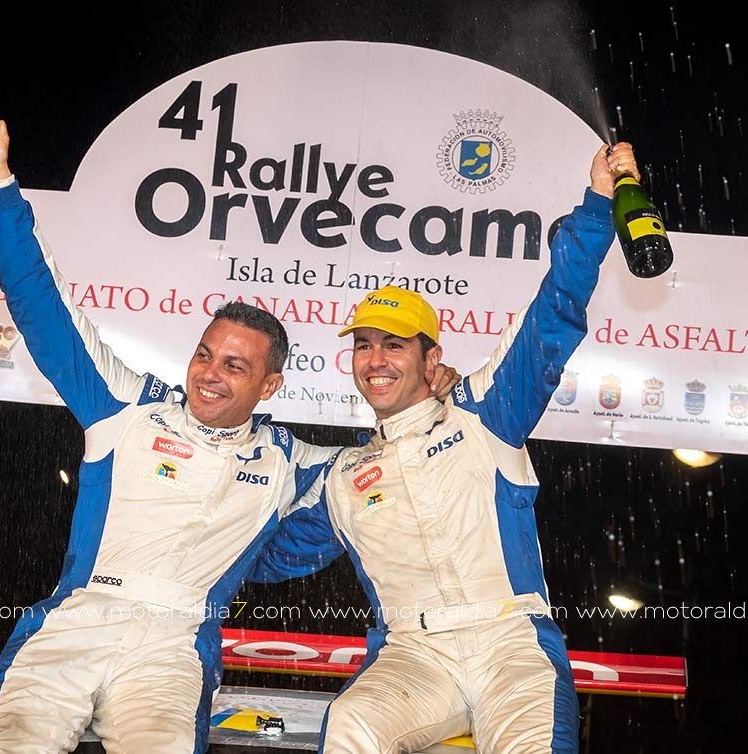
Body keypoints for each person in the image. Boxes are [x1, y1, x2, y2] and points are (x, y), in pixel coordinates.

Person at [0, 120, 457, 754]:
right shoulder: (125, 408)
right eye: (204, 355)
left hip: (173, 650)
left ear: (270, 386)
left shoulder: (296, 464)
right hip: (76, 624)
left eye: (234, 366)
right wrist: (0, 188)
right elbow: (41, 306)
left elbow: (397, 460)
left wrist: (437, 398)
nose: (209, 374)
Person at [250, 142, 636, 753]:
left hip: (511, 645)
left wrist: (595, 209)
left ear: (432, 357)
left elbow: (551, 314)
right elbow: (261, 556)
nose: (376, 359)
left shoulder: (486, 412)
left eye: (394, 345)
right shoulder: (342, 476)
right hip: (414, 656)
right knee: (350, 724)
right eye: (364, 345)